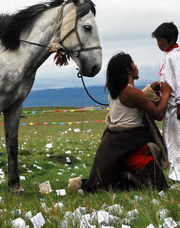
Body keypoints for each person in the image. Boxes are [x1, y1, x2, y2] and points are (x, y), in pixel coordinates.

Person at [70, 52, 171, 192]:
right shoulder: (133, 93)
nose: (136, 67)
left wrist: (150, 90)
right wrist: (166, 93)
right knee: (159, 185)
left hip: (116, 144)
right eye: (133, 63)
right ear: (128, 69)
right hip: (131, 142)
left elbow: (132, 104)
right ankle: (129, 177)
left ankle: (127, 176)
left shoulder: (115, 92)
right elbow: (159, 114)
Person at [152, 22, 180, 185]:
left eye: (161, 40)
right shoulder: (167, 55)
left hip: (177, 107)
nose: (158, 44)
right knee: (171, 142)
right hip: (170, 107)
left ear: (170, 40)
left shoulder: (174, 57)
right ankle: (176, 175)